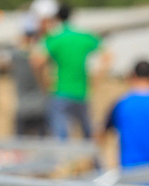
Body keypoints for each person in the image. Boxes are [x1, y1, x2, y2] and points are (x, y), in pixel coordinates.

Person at [35, 3, 106, 140]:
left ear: (56, 18)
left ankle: (64, 161)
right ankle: (93, 161)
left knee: (61, 136)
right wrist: (97, 79)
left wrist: (43, 83)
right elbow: (107, 55)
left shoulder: (54, 38)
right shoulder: (83, 36)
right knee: (88, 134)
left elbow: (37, 61)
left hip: (60, 91)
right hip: (82, 92)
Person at [10, 14, 49, 137]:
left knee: (20, 149)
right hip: (41, 107)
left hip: (22, 108)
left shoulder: (15, 55)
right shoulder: (42, 55)